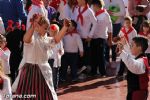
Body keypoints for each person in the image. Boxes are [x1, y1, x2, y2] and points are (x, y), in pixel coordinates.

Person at [12, 14, 70, 100]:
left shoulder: (46, 39)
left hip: (44, 71)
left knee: (45, 94)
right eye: (45, 28)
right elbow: (26, 39)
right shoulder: (32, 37)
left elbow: (56, 39)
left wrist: (65, 27)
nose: (47, 31)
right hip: (30, 71)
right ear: (37, 27)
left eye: (47, 28)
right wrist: (32, 26)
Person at [90, 0, 112, 76]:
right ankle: (93, 72)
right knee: (93, 55)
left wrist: (110, 40)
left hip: (101, 38)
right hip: (93, 38)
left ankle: (103, 72)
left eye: (93, 6)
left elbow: (110, 28)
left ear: (97, 6)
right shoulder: (93, 14)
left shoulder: (105, 15)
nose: (92, 7)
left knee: (100, 56)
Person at [76, 0, 97, 70]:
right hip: (77, 36)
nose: (77, 0)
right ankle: (79, 70)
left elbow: (95, 23)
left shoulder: (89, 11)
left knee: (84, 55)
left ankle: (84, 71)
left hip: (85, 37)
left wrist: (90, 35)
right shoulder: (77, 9)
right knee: (79, 55)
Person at [48, 24, 64, 90]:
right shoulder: (48, 39)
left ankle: (55, 87)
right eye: (52, 32)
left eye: (55, 32)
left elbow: (62, 49)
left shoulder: (60, 40)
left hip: (57, 60)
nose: (54, 33)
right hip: (50, 59)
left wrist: (61, 52)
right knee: (49, 74)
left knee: (55, 74)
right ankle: (49, 86)